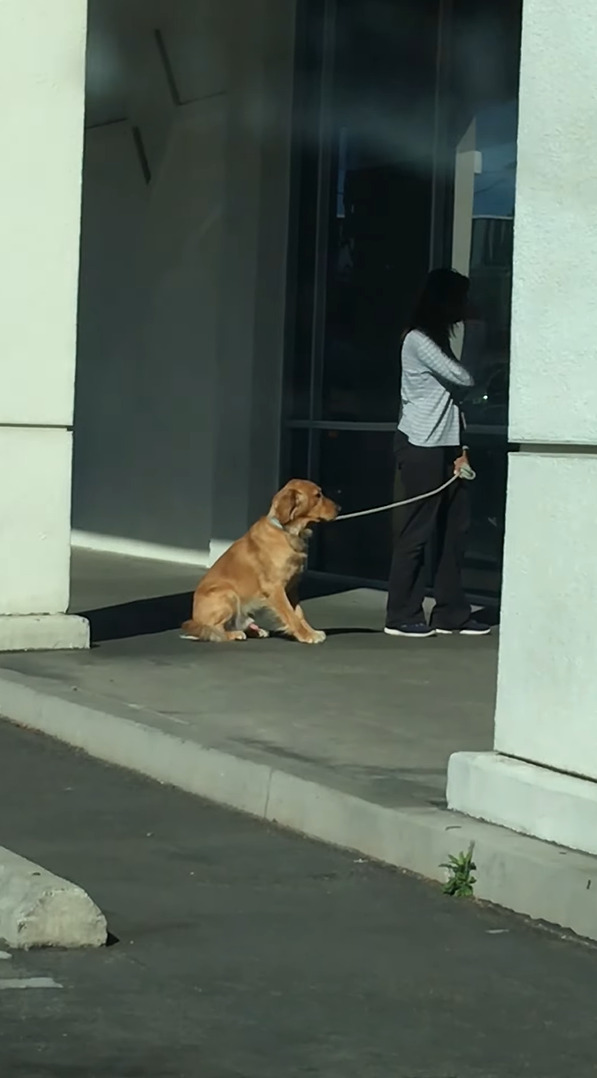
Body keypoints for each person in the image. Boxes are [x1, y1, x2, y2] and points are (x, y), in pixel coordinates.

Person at [384, 268, 490, 638]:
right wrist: (476, 332)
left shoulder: (437, 342)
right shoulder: (417, 340)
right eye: (461, 298)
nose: (466, 305)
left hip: (446, 446)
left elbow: (454, 400)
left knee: (455, 530)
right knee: (417, 531)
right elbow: (464, 379)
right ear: (444, 301)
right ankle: (400, 614)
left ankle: (451, 613)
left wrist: (461, 450)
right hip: (420, 445)